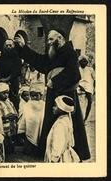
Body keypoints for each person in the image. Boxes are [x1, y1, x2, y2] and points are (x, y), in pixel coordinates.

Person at [15, 29, 90, 160]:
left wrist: (54, 81)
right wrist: (24, 48)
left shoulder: (69, 52)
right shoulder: (54, 53)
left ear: (59, 38)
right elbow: (41, 62)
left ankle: (67, 153)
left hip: (65, 94)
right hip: (54, 92)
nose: (48, 42)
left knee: (66, 124)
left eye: (51, 39)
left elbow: (74, 74)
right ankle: (51, 151)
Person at [44, 95, 80, 163]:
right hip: (64, 152)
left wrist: (54, 158)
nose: (53, 107)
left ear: (61, 109)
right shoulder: (67, 119)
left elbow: (58, 143)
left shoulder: (60, 125)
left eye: (55, 106)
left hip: (60, 156)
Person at [17, 83, 45, 155]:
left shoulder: (43, 103)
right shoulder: (28, 104)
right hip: (30, 122)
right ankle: (29, 150)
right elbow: (26, 113)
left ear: (40, 96)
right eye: (33, 96)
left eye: (37, 96)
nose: (35, 98)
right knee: (29, 136)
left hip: (40, 122)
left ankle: (38, 150)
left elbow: (43, 113)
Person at [0, 39, 22, 111]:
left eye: (10, 45)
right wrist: (1, 80)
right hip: (2, 83)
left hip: (13, 82)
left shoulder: (17, 57)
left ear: (13, 46)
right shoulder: (2, 57)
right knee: (2, 101)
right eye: (7, 45)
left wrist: (8, 79)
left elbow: (17, 70)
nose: (8, 47)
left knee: (14, 101)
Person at [0, 83, 18, 153]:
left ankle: (10, 148)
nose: (6, 95)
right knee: (4, 139)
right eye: (4, 93)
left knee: (10, 138)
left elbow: (15, 112)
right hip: (2, 125)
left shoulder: (10, 102)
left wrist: (14, 115)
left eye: (7, 93)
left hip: (11, 124)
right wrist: (4, 117)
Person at [78, 55, 95, 122]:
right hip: (80, 87)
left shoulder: (90, 69)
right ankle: (80, 118)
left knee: (90, 101)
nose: (84, 63)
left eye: (85, 61)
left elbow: (95, 79)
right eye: (82, 61)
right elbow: (75, 79)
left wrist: (94, 88)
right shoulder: (78, 69)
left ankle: (86, 118)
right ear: (79, 62)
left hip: (88, 87)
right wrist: (79, 86)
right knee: (80, 104)